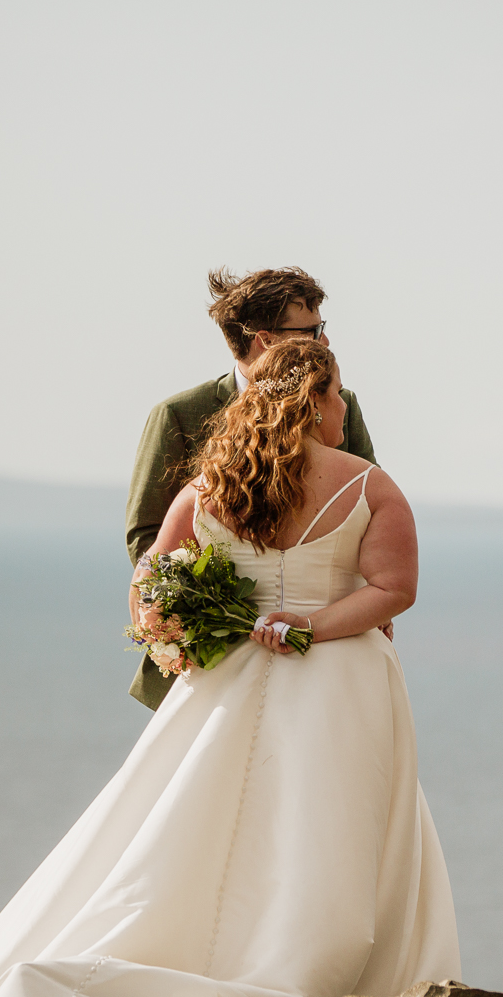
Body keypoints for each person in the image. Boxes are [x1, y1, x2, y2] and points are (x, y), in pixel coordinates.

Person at [0, 339, 458, 997]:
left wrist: (197, 624)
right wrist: (310, 626)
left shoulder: (209, 487)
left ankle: (204, 953)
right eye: (336, 395)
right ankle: (320, 970)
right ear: (311, 399)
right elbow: (395, 589)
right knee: (324, 826)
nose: (343, 408)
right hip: (340, 682)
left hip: (225, 679)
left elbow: (149, 588)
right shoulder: (368, 486)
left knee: (199, 825)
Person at [124, 267, 377, 710]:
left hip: (325, 647)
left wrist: (355, 605)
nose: (325, 342)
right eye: (313, 330)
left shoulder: (341, 403)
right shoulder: (179, 415)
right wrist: (226, 613)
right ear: (265, 340)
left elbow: (367, 510)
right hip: (217, 651)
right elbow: (147, 532)